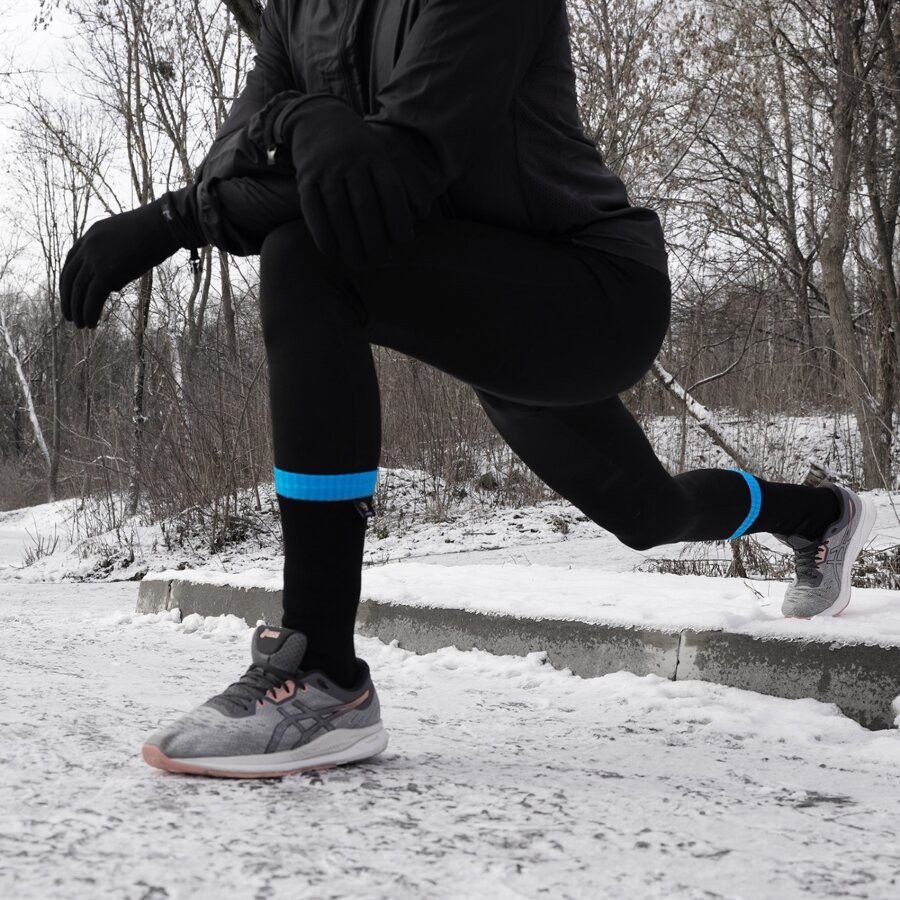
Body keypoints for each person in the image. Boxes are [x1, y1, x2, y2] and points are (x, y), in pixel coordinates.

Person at [60, 0, 875, 778]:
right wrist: (297, 124)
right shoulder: (294, 11)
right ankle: (818, 515)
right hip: (483, 301)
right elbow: (233, 164)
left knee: (307, 258)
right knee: (647, 515)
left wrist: (178, 216)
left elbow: (396, 171)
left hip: (592, 291)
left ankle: (322, 674)